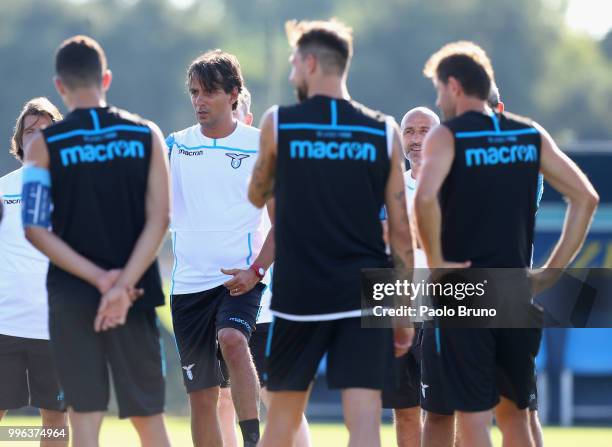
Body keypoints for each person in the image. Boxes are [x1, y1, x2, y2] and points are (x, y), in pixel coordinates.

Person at [415, 40, 598, 447]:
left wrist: (439, 262)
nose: (438, 99)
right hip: (516, 291)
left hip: (464, 290)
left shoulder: (447, 136)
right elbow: (586, 198)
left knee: (473, 415)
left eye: (439, 89)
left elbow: (424, 198)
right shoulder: (528, 134)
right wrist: (551, 271)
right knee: (515, 415)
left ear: (455, 86)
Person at [248, 19, 415, 447]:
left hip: (300, 292)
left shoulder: (279, 123)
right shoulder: (384, 131)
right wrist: (401, 309)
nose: (290, 75)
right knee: (363, 422)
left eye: (293, 64)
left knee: (282, 420)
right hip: (365, 290)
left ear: (309, 63)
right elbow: (400, 230)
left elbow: (255, 195)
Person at [22, 35, 171, 447]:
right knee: (149, 419)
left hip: (72, 298)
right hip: (135, 295)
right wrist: (121, 286)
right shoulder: (147, 135)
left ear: (59, 86)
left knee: (84, 421)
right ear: (105, 77)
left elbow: (33, 228)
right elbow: (161, 218)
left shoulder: (42, 146)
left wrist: (100, 280)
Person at [166, 50, 273, 447]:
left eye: (209, 92)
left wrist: (257, 271)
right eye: (194, 92)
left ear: (233, 95)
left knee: (232, 339)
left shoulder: (260, 145)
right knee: (202, 397)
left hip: (240, 281)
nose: (199, 101)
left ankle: (251, 440)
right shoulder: (175, 145)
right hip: (187, 287)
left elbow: (284, 222)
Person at [216, 87, 312, 447]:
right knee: (222, 398)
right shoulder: (201, 158)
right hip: (214, 296)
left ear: (247, 116)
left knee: (278, 397)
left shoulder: (265, 158)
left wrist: (259, 271)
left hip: (265, 302)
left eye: (235, 108)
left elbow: (286, 225)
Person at [0, 97, 67, 447]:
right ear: (19, 141)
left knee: (55, 421)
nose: (38, 137)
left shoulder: (76, 190)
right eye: (30, 131)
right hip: (4, 325)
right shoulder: (2, 188)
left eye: (46, 130)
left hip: (55, 326)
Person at [381, 106, 440, 447]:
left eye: (424, 130)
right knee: (404, 410)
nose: (416, 139)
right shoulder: (388, 188)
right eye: (409, 131)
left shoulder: (456, 184)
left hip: (447, 309)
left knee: (447, 410)